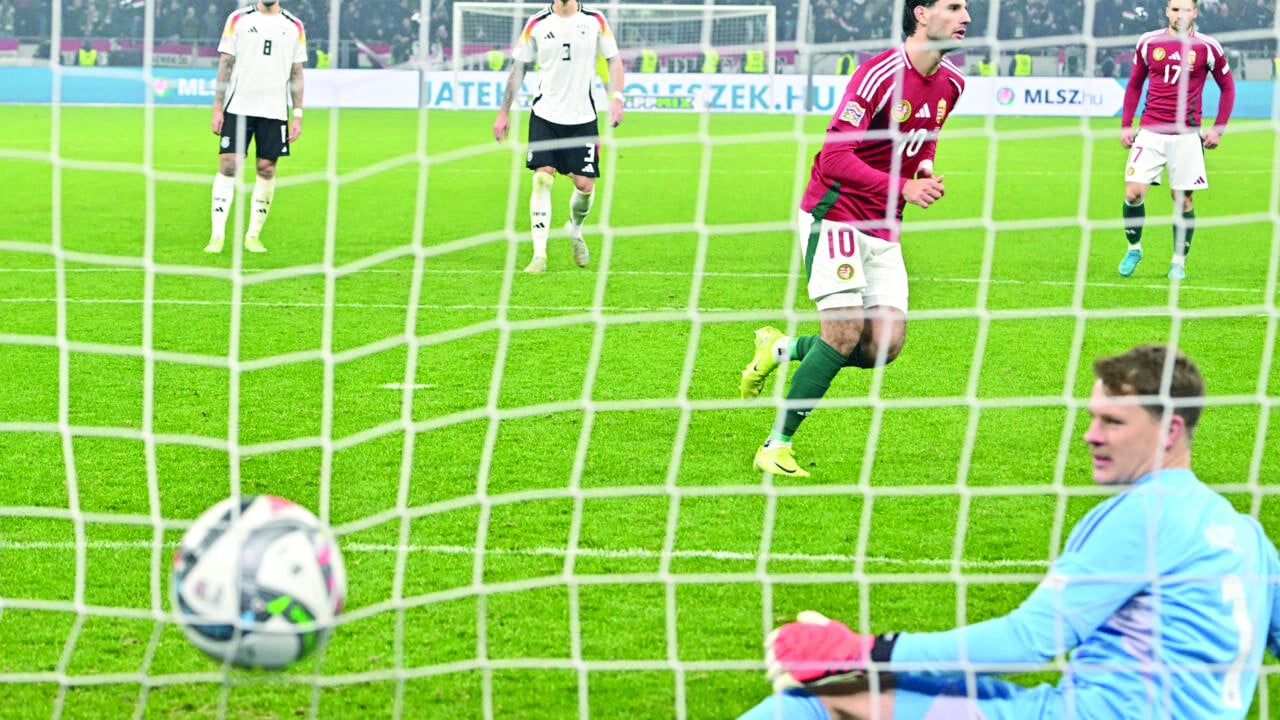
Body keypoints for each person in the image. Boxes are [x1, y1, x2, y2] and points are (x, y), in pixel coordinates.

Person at [742, 343, 1280, 720]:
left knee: (823, 701)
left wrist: (865, 650)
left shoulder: (1148, 514)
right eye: (1091, 417)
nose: (1090, 436)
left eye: (1113, 422)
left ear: (1170, 430)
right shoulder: (1245, 534)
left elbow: (1030, 641)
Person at [739, 0, 968, 478]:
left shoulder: (954, 81)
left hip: (884, 223)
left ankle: (779, 350)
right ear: (922, 14)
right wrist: (903, 185)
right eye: (954, 6)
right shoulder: (879, 74)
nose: (966, 17)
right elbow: (834, 158)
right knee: (842, 334)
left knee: (882, 345)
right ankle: (775, 446)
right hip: (835, 213)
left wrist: (923, 167)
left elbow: (925, 136)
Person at [492, 0, 625, 274]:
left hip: (582, 119)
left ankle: (574, 230)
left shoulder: (595, 20)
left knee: (585, 186)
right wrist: (503, 112)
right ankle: (539, 254)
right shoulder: (536, 23)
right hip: (545, 115)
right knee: (542, 178)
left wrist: (617, 98)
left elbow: (614, 60)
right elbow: (519, 68)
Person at [1117, 0, 1235, 281]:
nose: (1180, 14)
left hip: (1187, 136)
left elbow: (1227, 87)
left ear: (1194, 13)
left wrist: (1218, 128)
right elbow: (1134, 84)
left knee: (1182, 200)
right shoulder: (1148, 42)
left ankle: (1178, 262)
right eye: (1175, 9)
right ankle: (1134, 248)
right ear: (1167, 12)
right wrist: (1126, 125)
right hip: (1150, 132)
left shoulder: (1207, 47)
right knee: (1133, 193)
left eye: (1186, 9)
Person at [206, 0, 307, 254]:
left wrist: (297, 114)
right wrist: (217, 107)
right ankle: (216, 235)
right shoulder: (238, 19)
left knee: (266, 168)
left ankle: (253, 236)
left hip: (273, 111)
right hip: (238, 107)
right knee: (228, 164)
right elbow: (225, 64)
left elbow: (297, 73)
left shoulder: (294, 26)